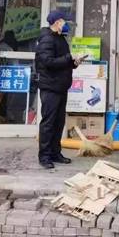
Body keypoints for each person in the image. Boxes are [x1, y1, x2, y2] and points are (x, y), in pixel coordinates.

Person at [35, 11, 86, 169]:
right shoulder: (47, 39)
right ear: (57, 23)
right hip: (50, 87)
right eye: (64, 22)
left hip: (60, 86)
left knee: (58, 123)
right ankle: (44, 156)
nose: (66, 25)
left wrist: (74, 62)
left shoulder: (60, 38)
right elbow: (47, 62)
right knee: (48, 123)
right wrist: (69, 58)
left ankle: (55, 153)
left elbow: (62, 61)